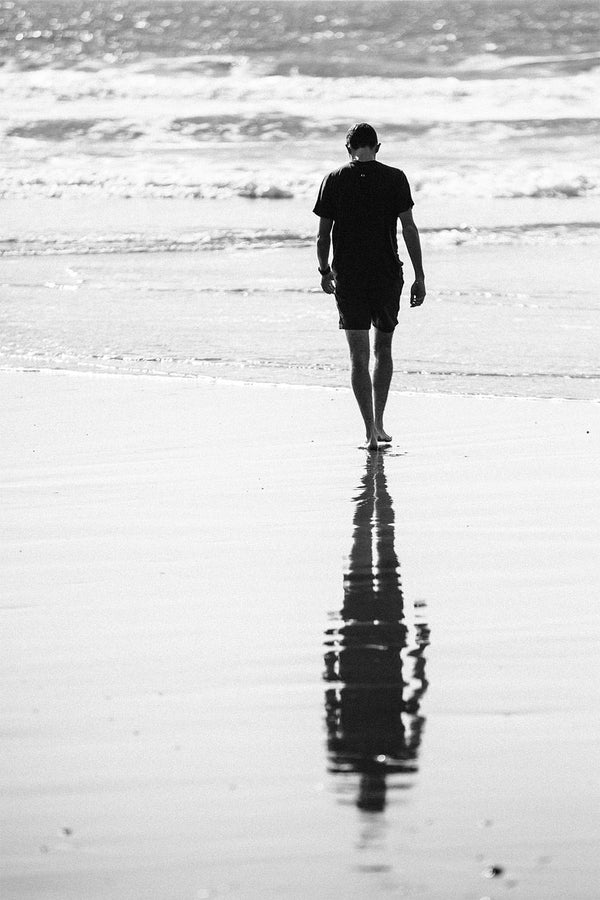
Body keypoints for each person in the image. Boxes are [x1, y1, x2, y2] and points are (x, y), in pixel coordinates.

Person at [313, 123, 426, 450]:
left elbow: (322, 236)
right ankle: (379, 424)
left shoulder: (333, 179)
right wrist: (419, 276)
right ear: (377, 147)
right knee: (383, 350)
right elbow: (409, 228)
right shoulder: (395, 177)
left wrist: (324, 270)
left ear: (348, 148)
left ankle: (368, 433)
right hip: (386, 274)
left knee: (358, 356)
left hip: (349, 277)